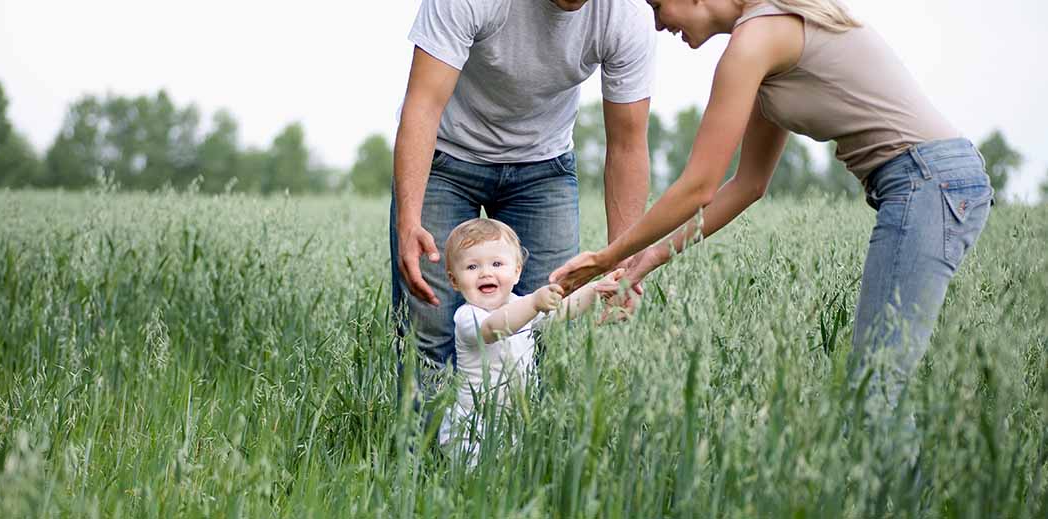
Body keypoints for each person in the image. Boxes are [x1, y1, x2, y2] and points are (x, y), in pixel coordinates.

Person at [550, 0, 994, 421]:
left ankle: (901, 502)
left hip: (926, 182)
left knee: (875, 386)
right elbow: (747, 185)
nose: (658, 24)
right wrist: (643, 263)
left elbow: (698, 186)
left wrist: (607, 258)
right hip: (927, 182)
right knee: (874, 383)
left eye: (656, 6)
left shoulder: (754, 40)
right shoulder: (762, 46)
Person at [391, 0, 656, 396]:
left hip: (543, 169)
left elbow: (628, 145)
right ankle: (425, 456)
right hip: (447, 157)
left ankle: (527, 454)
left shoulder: (625, 16)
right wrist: (409, 219)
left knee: (548, 335)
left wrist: (623, 262)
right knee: (430, 335)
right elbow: (423, 105)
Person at [438, 218, 619, 460]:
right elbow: (495, 328)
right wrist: (534, 303)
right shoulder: (468, 317)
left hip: (514, 420)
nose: (485, 273)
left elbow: (562, 311)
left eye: (497, 263)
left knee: (511, 475)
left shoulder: (518, 305)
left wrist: (596, 290)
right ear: (454, 280)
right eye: (472, 267)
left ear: (516, 272)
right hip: (473, 424)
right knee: (478, 483)